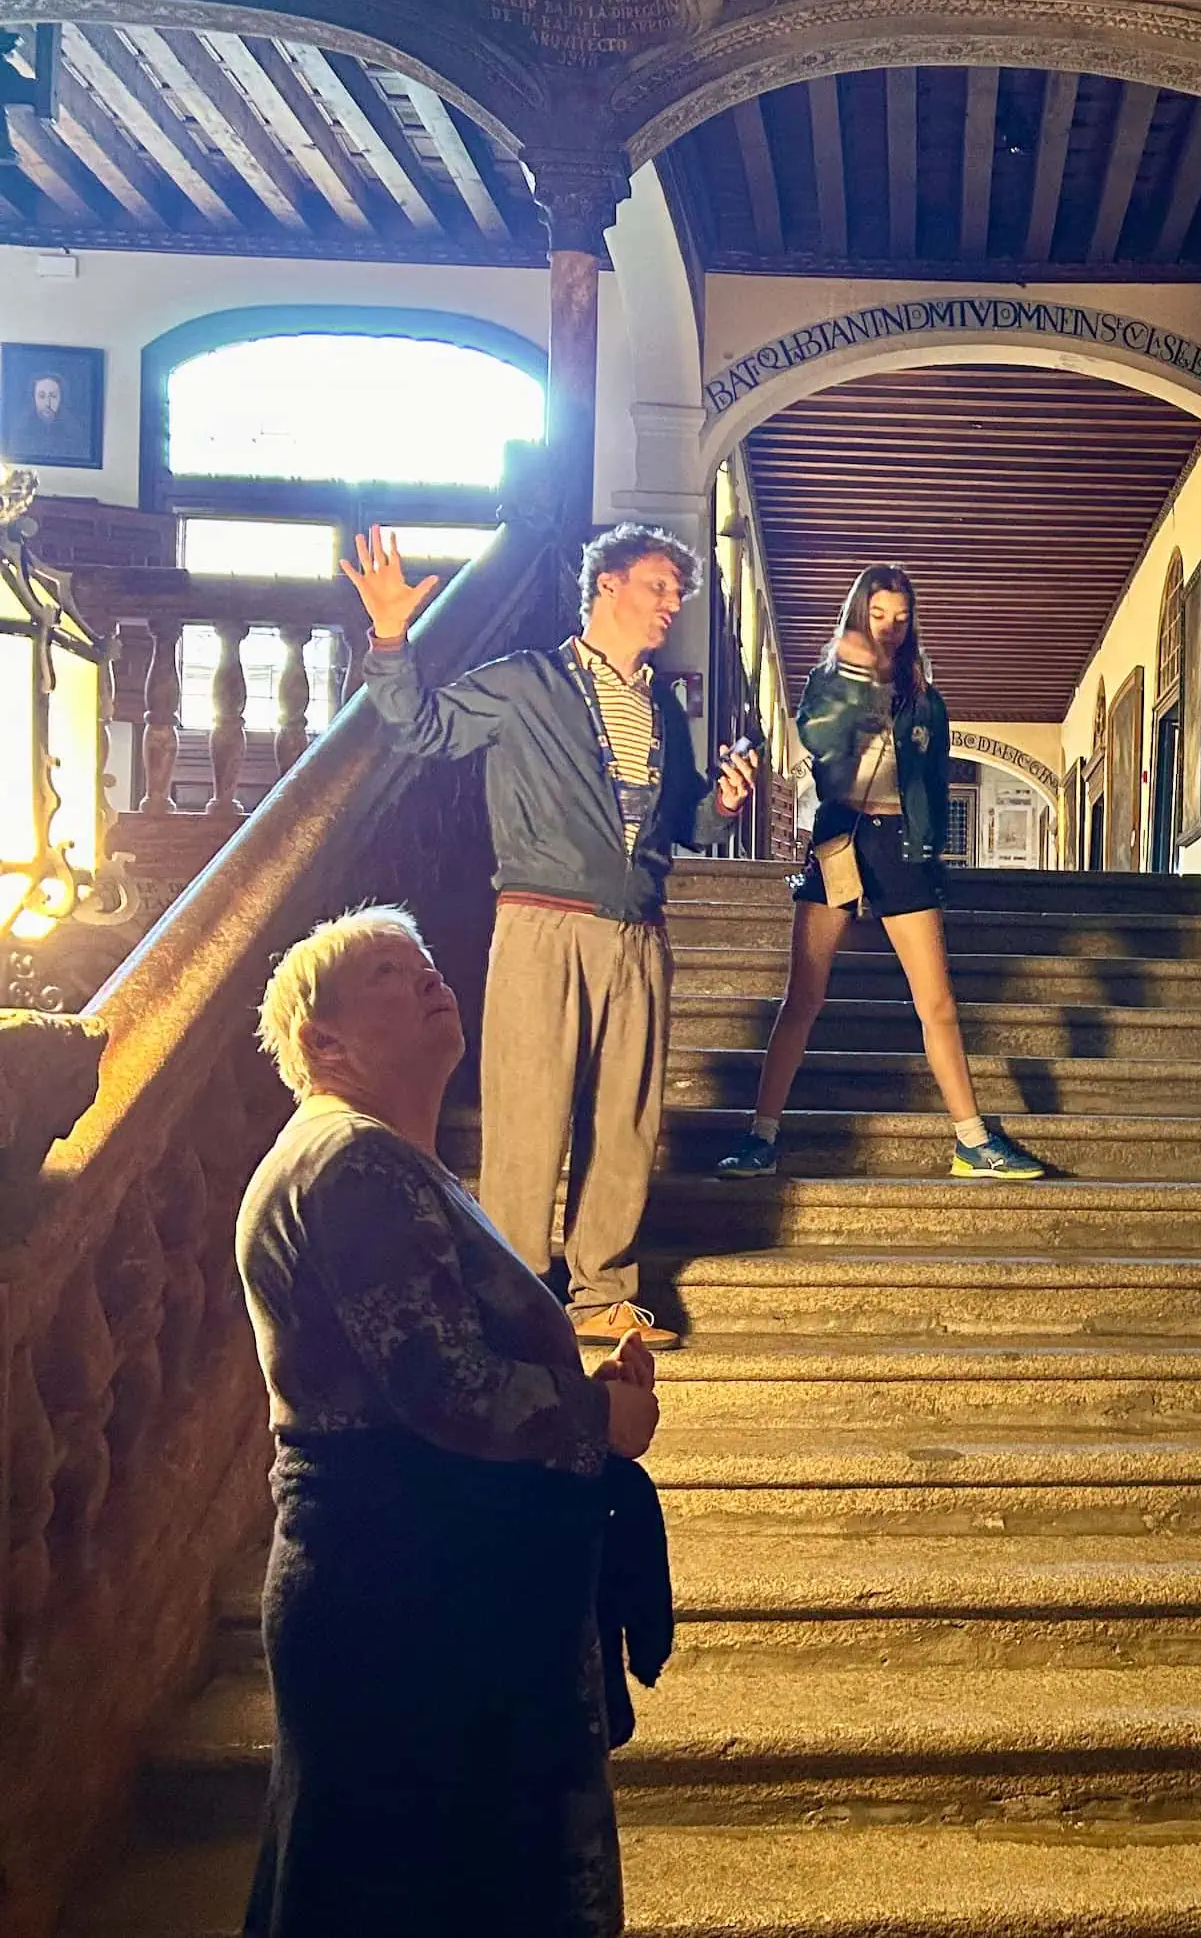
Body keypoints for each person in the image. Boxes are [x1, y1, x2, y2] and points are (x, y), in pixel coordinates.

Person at [236, 906, 662, 1938]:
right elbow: (443, 1386)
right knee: (416, 1885)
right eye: (390, 972)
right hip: (409, 1592)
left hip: (433, 1582)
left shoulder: (383, 1160)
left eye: (427, 961)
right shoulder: (353, 1165)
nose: (429, 977)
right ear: (322, 1041)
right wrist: (601, 1415)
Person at [346, 522, 760, 1348]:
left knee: (626, 1117)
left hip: (637, 930)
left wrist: (723, 804)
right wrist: (391, 633)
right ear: (606, 585)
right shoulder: (527, 682)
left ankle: (601, 1288)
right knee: (528, 1109)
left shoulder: (662, 711)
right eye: (656, 586)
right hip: (543, 923)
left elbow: (683, 825)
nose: (670, 604)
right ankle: (508, 1290)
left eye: (676, 593)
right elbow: (423, 728)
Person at [712, 564, 1048, 1181]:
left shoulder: (924, 695)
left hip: (900, 843)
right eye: (878, 616)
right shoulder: (830, 681)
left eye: (900, 618)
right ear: (858, 616)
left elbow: (936, 776)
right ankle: (760, 1137)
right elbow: (815, 740)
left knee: (937, 1000)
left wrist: (932, 852)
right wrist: (854, 681)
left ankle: (971, 1141)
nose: (890, 629)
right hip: (841, 835)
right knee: (802, 998)